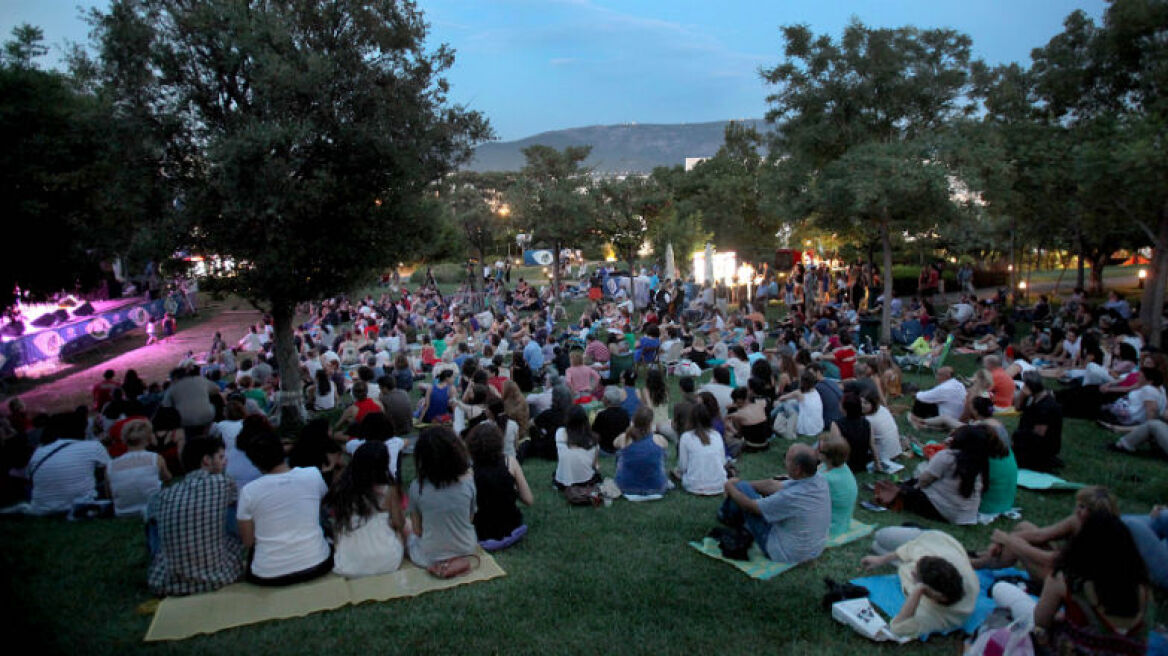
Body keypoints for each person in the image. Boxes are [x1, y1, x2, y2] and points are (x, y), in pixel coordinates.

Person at [992, 511, 1151, 653]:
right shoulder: (1143, 588)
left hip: (1068, 648)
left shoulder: (1068, 579)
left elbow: (1040, 623)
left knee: (1001, 589)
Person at [147, 436, 246, 596]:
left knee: (153, 518)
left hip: (168, 583)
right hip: (220, 575)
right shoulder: (224, 484)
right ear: (206, 460)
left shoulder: (162, 496)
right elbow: (238, 527)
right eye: (220, 457)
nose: (225, 462)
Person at [237, 430, 332, 586]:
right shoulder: (312, 475)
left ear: (255, 463)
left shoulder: (249, 491)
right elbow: (322, 505)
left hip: (268, 574)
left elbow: (248, 541)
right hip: (317, 563)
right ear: (283, 450)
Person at [970, 486, 1119, 581]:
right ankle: (985, 558)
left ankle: (977, 563)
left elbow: (1051, 560)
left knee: (1018, 545)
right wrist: (1000, 542)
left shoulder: (1097, 536)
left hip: (1071, 582)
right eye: (1080, 506)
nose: (1080, 512)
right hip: (1061, 567)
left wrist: (1009, 542)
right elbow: (1040, 535)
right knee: (1025, 527)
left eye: (1088, 510)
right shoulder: (1077, 520)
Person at [716, 443, 831, 563]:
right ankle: (729, 511)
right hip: (813, 549)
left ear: (797, 469)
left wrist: (730, 486)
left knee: (741, 494)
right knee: (741, 487)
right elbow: (774, 485)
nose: (784, 463)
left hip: (784, 552)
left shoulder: (791, 497)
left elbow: (751, 506)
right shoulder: (819, 480)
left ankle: (725, 515)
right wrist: (742, 484)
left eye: (787, 460)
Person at [860, 529, 979, 638]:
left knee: (876, 545)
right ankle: (912, 529)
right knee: (882, 536)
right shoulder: (942, 561)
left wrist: (917, 591)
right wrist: (881, 560)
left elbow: (897, 627)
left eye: (915, 576)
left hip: (915, 562)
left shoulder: (936, 617)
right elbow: (914, 547)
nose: (912, 574)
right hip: (931, 538)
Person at [327, 441, 405, 578]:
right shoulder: (389, 490)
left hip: (348, 563)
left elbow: (337, 525)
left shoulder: (341, 488)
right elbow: (399, 523)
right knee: (403, 526)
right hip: (388, 561)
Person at [405, 427, 478, 569]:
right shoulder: (468, 482)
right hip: (467, 550)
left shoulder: (416, 487)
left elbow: (417, 531)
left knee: (405, 531)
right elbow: (469, 518)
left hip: (428, 557)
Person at [888, 425, 989, 525]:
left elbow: (923, 481)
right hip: (967, 515)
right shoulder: (981, 461)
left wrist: (912, 489)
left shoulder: (947, 456)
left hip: (944, 511)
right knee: (911, 483)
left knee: (903, 490)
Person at [25, 411, 111, 515]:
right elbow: (110, 474)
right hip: (83, 505)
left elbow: (29, 479)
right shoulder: (93, 446)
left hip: (41, 509)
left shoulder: (39, 452)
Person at [467, 422, 533, 543]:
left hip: (482, 530)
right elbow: (528, 499)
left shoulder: (469, 473)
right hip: (511, 526)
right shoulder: (511, 463)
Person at [108, 419, 171, 518]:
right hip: (153, 508)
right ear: (149, 438)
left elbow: (109, 494)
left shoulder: (111, 465)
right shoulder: (155, 458)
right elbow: (167, 479)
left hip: (122, 512)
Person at [1012, 371, 1064, 472]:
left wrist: (1018, 438)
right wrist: (1022, 394)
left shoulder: (1045, 407)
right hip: (1028, 440)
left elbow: (1039, 434)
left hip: (1040, 447)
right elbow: (1017, 407)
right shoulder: (1034, 397)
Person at [613, 406, 670, 499]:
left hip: (626, 488)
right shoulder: (659, 439)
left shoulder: (624, 438)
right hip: (656, 488)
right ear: (651, 423)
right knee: (661, 453)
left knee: (620, 452)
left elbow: (615, 444)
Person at [675, 403, 727, 496]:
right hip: (720, 484)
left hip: (693, 486)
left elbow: (683, 466)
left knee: (675, 472)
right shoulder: (716, 435)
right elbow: (723, 462)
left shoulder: (686, 437)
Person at [817, 433, 857, 538]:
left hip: (831, 525)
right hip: (843, 521)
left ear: (829, 457)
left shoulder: (827, 479)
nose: (816, 451)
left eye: (819, 450)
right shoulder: (842, 467)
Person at [554, 406, 601, 490]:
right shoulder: (593, 440)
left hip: (562, 482)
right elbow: (595, 465)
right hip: (586, 481)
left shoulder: (559, 433)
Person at [772, 369, 824, 440]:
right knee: (790, 403)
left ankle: (769, 417)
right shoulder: (816, 392)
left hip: (805, 428)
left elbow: (781, 398)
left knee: (783, 404)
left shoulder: (798, 393)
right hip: (818, 427)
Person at [830, 391, 873, 474]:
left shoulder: (836, 425)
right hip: (862, 463)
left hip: (846, 466)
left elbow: (836, 449)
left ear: (844, 408)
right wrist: (878, 464)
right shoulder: (866, 422)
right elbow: (872, 445)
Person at [592, 386, 631, 455]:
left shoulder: (602, 415)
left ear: (607, 400)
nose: (602, 398)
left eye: (604, 397)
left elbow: (595, 435)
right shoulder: (625, 413)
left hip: (605, 450)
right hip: (620, 449)